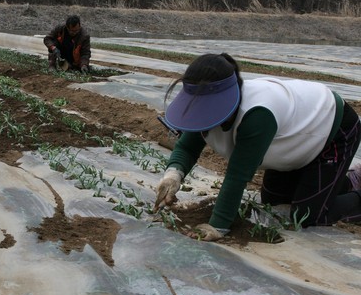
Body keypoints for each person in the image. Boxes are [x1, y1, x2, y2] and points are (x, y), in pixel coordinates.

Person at [154, 53, 361, 241]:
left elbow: (238, 175)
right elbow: (188, 146)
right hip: (295, 139)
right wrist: (173, 175)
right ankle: (347, 181)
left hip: (331, 130)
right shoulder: (207, 108)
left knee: (305, 216)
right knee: (273, 204)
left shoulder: (256, 115)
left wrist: (218, 225)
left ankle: (350, 190)